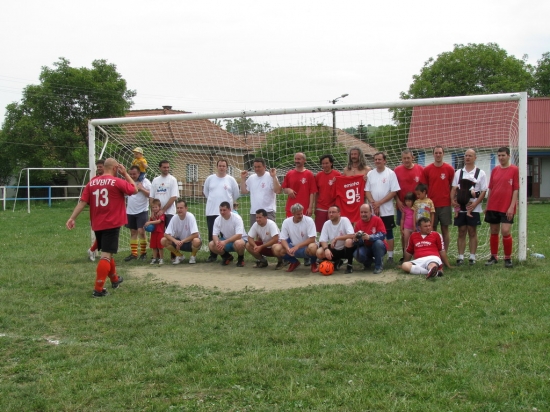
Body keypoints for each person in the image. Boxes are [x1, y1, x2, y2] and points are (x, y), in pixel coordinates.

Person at [66, 158, 137, 297]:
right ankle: (98, 289)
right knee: (105, 255)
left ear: (103, 167)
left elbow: (82, 202)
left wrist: (72, 218)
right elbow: (134, 189)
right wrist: (126, 175)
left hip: (97, 224)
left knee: (107, 251)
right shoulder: (117, 181)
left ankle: (115, 279)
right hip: (112, 223)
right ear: (116, 168)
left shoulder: (92, 182)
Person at [450, 149, 487, 266]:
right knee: (461, 231)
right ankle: (460, 257)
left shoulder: (481, 173)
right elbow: (454, 189)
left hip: (473, 207)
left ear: (475, 158)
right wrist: (452, 201)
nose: (467, 157)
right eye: (466, 155)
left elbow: (483, 191)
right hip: (460, 206)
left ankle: (472, 257)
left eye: (470, 156)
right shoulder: (458, 173)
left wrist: (475, 204)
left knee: (472, 231)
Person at [484, 147, 519, 268]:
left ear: (508, 156)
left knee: (505, 231)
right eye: (499, 155)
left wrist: (512, 206)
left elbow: (515, 189)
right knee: (494, 231)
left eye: (503, 155)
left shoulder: (514, 170)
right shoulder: (495, 170)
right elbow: (491, 188)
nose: (501, 158)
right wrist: (487, 206)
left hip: (507, 206)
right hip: (493, 205)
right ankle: (494, 256)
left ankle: (508, 258)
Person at [365, 151, 400, 264]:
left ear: (384, 161)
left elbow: (394, 192)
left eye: (379, 159)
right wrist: (373, 203)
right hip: (373, 210)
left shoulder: (391, 173)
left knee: (388, 232)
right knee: (374, 233)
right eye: (375, 159)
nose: (377, 161)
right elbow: (367, 191)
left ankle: (390, 257)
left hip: (387, 210)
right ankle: (376, 255)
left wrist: (379, 203)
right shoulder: (370, 174)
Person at [204, 159, 240, 262]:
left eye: (224, 166)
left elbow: (236, 194)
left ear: (227, 167)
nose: (221, 167)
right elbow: (206, 192)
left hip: (226, 213)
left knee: (226, 234)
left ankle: (230, 253)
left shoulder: (231, 180)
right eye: (220, 165)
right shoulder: (210, 179)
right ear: (217, 166)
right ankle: (213, 255)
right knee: (212, 234)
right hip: (212, 211)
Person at [394, 149, 425, 261]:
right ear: (402, 159)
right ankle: (405, 254)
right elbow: (392, 188)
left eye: (408, 158)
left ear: (413, 158)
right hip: (402, 207)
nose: (406, 160)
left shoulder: (421, 169)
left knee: (418, 230)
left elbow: (424, 188)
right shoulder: (397, 170)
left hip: (417, 208)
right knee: (404, 231)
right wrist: (397, 200)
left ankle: (419, 253)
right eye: (404, 158)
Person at [423, 146, 455, 252]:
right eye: (436, 153)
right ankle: (433, 251)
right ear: (433, 154)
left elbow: (452, 186)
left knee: (445, 229)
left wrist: (451, 198)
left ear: (443, 154)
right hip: (431, 205)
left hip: (445, 204)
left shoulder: (449, 169)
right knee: (432, 229)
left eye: (440, 153)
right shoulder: (427, 169)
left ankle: (444, 252)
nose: (438, 155)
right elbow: (425, 187)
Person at [272, 203, 318, 272]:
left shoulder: (309, 220)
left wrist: (297, 246)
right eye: (298, 214)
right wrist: (287, 249)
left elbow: (312, 239)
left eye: (301, 213)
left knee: (313, 247)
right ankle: (294, 262)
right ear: (292, 213)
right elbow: (283, 239)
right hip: (293, 246)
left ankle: (313, 263)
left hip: (306, 247)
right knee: (275, 248)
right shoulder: (286, 222)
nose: (300, 216)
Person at [239, 157, 280, 227]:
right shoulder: (251, 178)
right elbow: (243, 191)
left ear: (264, 166)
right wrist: (243, 179)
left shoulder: (270, 176)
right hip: (254, 212)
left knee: (268, 235)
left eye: (259, 167)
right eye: (255, 167)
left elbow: (278, 191)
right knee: (254, 235)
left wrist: (274, 177)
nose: (256, 169)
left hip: (268, 211)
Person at [316, 205, 356, 274]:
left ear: (339, 213)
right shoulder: (326, 224)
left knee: (349, 241)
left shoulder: (345, 220)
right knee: (319, 252)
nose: (331, 214)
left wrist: (337, 238)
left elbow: (352, 235)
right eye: (329, 212)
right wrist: (326, 249)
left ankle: (349, 265)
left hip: (345, 249)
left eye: (333, 212)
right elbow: (322, 240)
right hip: (334, 249)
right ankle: (336, 261)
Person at [124, 166, 151, 261]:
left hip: (142, 210)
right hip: (130, 210)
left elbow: (150, 195)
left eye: (134, 174)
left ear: (139, 173)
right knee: (133, 232)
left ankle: (143, 253)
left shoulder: (145, 181)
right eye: (130, 174)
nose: (132, 176)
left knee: (141, 231)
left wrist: (142, 188)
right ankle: (134, 254)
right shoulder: (127, 181)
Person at [161, 199, 202, 264]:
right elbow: (166, 234)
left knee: (196, 241)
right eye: (178, 208)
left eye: (181, 208)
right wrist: (175, 241)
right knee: (163, 240)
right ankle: (179, 256)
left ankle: (193, 256)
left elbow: (196, 234)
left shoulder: (190, 217)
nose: (179, 210)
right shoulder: (174, 218)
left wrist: (182, 241)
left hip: (189, 243)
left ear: (186, 208)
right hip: (179, 242)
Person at [209, 201, 247, 267]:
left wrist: (225, 242)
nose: (222, 212)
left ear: (229, 210)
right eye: (220, 210)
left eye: (224, 210)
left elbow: (239, 235)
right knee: (211, 244)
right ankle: (227, 257)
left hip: (239, 239)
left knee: (239, 243)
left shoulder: (237, 218)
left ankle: (241, 259)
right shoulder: (217, 219)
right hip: (226, 240)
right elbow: (214, 235)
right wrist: (217, 243)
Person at [353, 203, 388, 274]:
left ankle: (379, 266)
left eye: (365, 212)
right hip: (366, 247)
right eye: (361, 212)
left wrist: (370, 237)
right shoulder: (358, 224)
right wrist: (356, 240)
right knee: (356, 254)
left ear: (370, 212)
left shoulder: (377, 220)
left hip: (379, 246)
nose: (363, 214)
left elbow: (383, 234)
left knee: (378, 243)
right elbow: (359, 243)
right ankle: (369, 262)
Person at [149, 160, 179, 243]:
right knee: (157, 233)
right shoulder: (155, 180)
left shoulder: (173, 179)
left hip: (169, 212)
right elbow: (151, 197)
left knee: (171, 234)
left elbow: (173, 197)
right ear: (160, 168)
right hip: (157, 212)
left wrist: (163, 210)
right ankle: (157, 254)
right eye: (164, 167)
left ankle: (174, 255)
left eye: (168, 167)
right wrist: (153, 211)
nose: (166, 169)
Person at [281, 152, 317, 218]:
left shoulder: (309, 174)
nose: (297, 161)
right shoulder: (289, 173)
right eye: (295, 159)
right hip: (291, 208)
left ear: (304, 160)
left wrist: (310, 207)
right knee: (291, 227)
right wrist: (288, 190)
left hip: (304, 208)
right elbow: (284, 189)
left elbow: (312, 192)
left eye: (299, 159)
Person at [314, 154, 341, 232]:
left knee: (333, 229)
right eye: (323, 163)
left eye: (326, 163)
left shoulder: (337, 175)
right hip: (321, 207)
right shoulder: (318, 176)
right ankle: (321, 243)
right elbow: (316, 193)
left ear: (331, 163)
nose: (325, 165)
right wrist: (315, 207)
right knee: (320, 230)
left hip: (333, 207)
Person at [87, 159, 105, 261]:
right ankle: (93, 249)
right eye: (97, 167)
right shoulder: (93, 180)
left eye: (100, 166)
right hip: (96, 212)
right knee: (102, 234)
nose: (98, 168)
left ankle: (94, 250)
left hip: (107, 212)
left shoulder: (111, 179)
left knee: (106, 234)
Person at [144, 199, 165, 265]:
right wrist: (146, 226)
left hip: (160, 232)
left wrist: (149, 222)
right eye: (153, 207)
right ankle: (154, 258)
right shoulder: (152, 216)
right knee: (154, 246)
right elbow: (150, 225)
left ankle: (161, 259)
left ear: (159, 207)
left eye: (156, 207)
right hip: (154, 233)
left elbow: (159, 221)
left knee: (160, 246)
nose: (154, 209)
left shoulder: (162, 214)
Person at [400, 192, 416, 258]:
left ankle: (415, 258)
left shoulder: (415, 208)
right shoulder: (405, 209)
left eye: (409, 201)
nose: (407, 203)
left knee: (414, 243)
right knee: (407, 244)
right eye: (406, 201)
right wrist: (401, 228)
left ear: (413, 201)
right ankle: (406, 259)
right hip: (406, 228)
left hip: (414, 229)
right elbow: (402, 219)